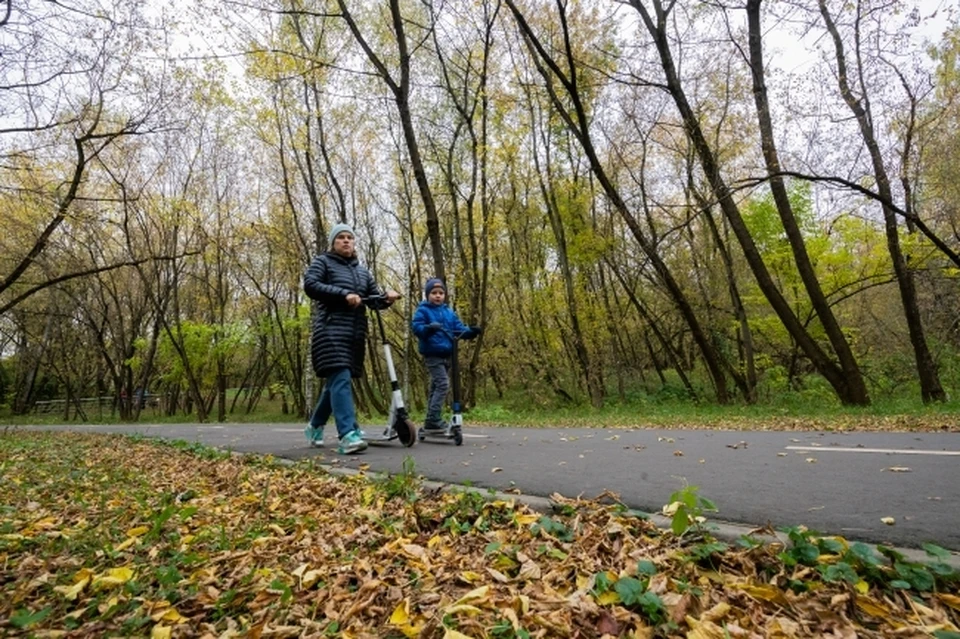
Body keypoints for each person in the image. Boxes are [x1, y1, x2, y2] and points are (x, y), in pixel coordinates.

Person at [303, 223, 401, 454]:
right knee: (341, 378)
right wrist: (343, 295)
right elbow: (311, 285)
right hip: (329, 330)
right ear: (333, 243)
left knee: (336, 383)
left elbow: (373, 299)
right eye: (341, 238)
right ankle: (348, 434)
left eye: (350, 238)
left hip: (354, 335)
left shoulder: (361, 271)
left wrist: (386, 298)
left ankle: (315, 426)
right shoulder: (322, 262)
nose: (346, 241)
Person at [411, 278, 481, 431]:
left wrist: (471, 332)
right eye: (434, 293)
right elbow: (417, 328)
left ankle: (430, 420)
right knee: (443, 383)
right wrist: (429, 328)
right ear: (428, 294)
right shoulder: (423, 310)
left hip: (448, 354)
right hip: (432, 354)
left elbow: (459, 329)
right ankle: (434, 418)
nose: (438, 296)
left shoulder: (448, 312)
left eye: (441, 293)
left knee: (436, 386)